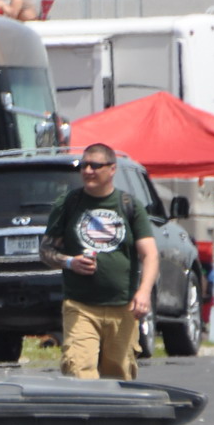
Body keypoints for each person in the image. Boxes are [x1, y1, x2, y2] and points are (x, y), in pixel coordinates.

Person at [39, 144, 159, 380]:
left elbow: (150, 254)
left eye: (95, 165)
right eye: (84, 165)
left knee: (119, 376)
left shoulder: (129, 205)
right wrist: (70, 262)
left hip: (123, 307)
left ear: (112, 169)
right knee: (79, 370)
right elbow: (45, 251)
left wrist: (144, 293)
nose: (88, 171)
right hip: (80, 306)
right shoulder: (69, 204)